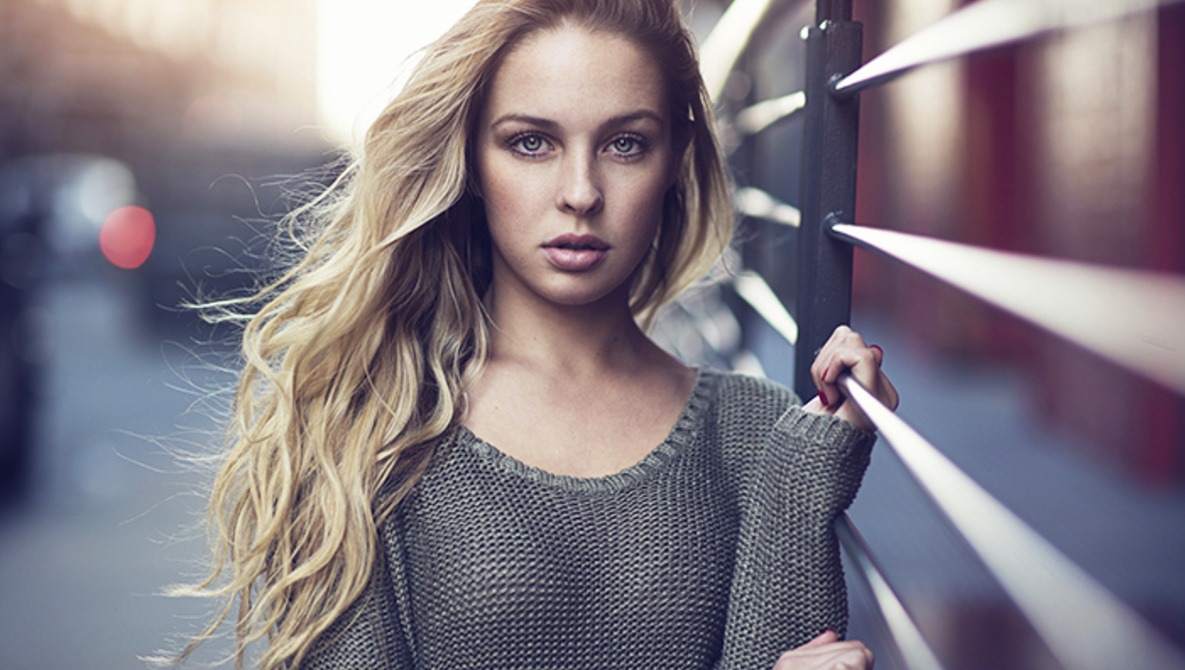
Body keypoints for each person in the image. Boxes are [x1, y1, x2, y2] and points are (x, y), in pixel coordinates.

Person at [175, 0, 899, 668]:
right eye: (530, 143)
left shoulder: (755, 432)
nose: (580, 192)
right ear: (472, 163)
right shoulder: (368, 427)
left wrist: (805, 474)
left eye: (623, 144)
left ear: (674, 160)